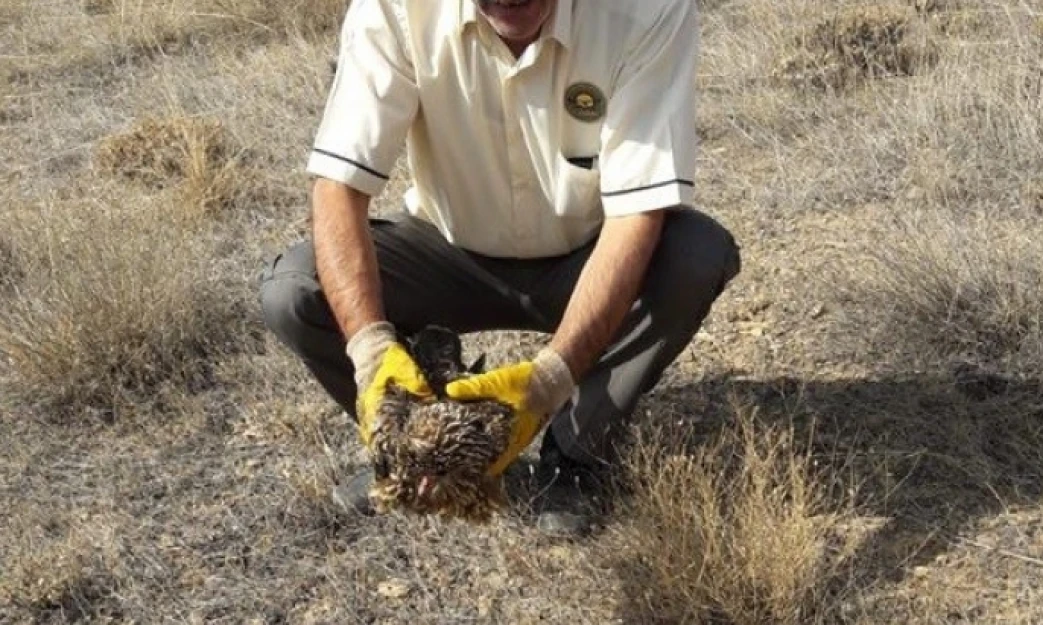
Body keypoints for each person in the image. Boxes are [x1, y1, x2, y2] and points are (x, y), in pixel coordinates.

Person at [259, 0, 740, 535]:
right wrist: (372, 355)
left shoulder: (647, 11)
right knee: (296, 289)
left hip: (589, 252)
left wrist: (550, 379)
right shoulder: (394, 8)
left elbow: (635, 216)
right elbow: (337, 187)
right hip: (448, 249)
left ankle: (575, 457)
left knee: (695, 255)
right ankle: (414, 447)